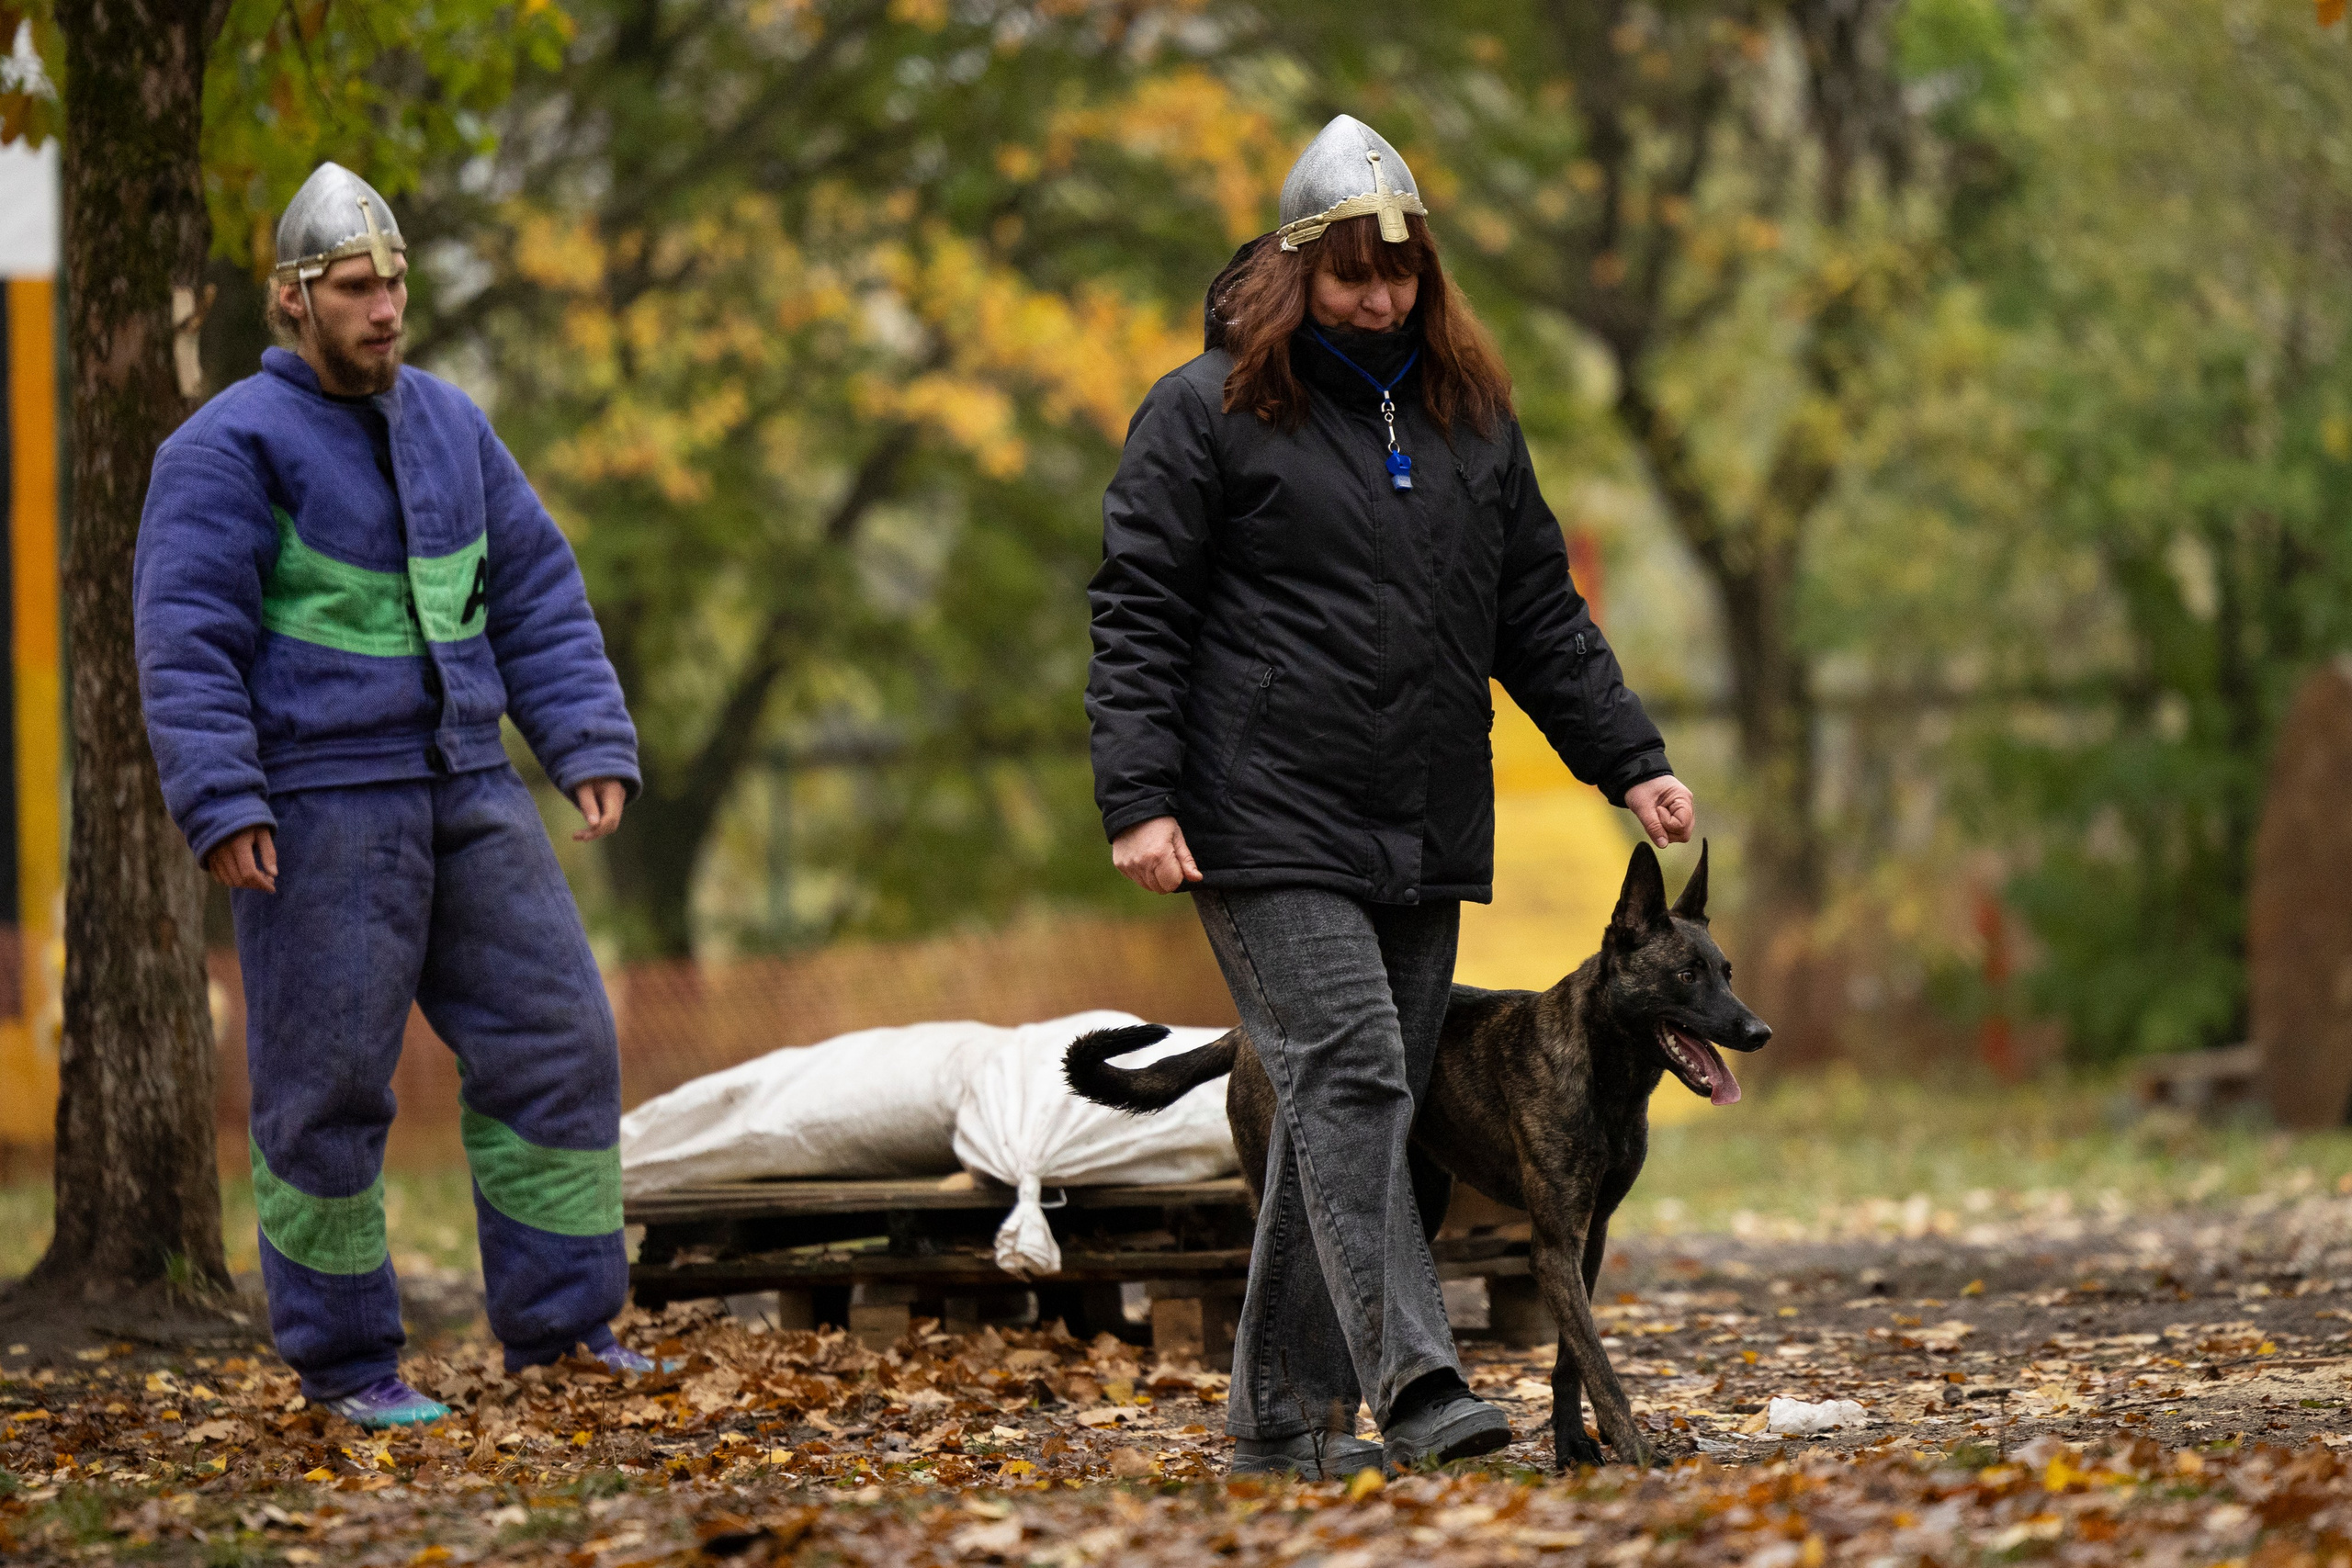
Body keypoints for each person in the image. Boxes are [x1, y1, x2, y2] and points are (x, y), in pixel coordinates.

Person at [1087, 116, 1695, 1476]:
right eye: (1351, 275)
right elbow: (1137, 613)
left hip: (1421, 823)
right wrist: (1138, 797)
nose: (1378, 299)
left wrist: (1632, 756)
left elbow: (1539, 614)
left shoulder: (1472, 422)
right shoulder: (1207, 413)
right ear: (1296, 272)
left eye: (1400, 276)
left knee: (1348, 1109)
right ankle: (1423, 1392)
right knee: (1356, 1078)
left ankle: (1281, 1428)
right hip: (1257, 820)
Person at [133, 163, 656, 1429]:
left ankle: (565, 1329)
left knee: (558, 1038)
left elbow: (533, 588)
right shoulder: (222, 450)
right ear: (293, 299)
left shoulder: (451, 424)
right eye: (358, 288)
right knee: (326, 1091)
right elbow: (183, 636)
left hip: (470, 784)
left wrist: (586, 737)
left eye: (397, 284)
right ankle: (348, 1364)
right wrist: (222, 800)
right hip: (318, 807)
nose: (386, 309)